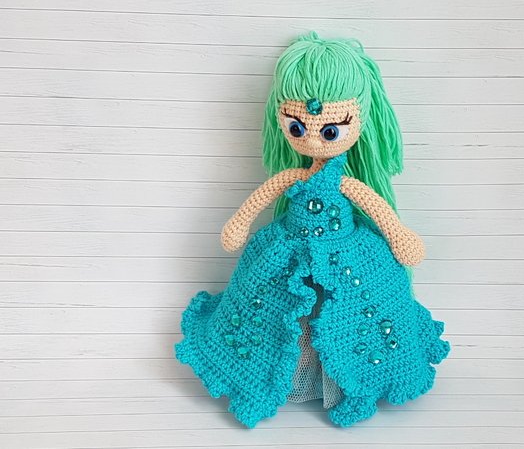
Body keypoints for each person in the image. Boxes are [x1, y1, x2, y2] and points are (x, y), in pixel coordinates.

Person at [175, 32, 450, 428]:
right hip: (288, 246)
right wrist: (240, 222)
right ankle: (285, 374)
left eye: (330, 130)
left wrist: (399, 234)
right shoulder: (292, 177)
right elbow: (262, 196)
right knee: (273, 308)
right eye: (299, 127)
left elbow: (377, 209)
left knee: (352, 311)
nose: (315, 139)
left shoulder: (346, 183)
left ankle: (348, 381)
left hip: (347, 250)